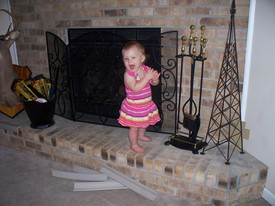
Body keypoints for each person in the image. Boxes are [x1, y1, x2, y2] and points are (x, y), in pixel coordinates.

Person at [118, 41, 161, 153]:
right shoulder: (128, 75)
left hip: (146, 104)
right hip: (134, 106)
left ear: (141, 58)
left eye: (133, 57)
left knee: (144, 122)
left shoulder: (145, 69)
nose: (129, 61)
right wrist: (146, 78)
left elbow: (153, 83)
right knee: (134, 127)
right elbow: (135, 88)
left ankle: (141, 136)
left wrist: (154, 79)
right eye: (126, 59)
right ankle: (133, 144)